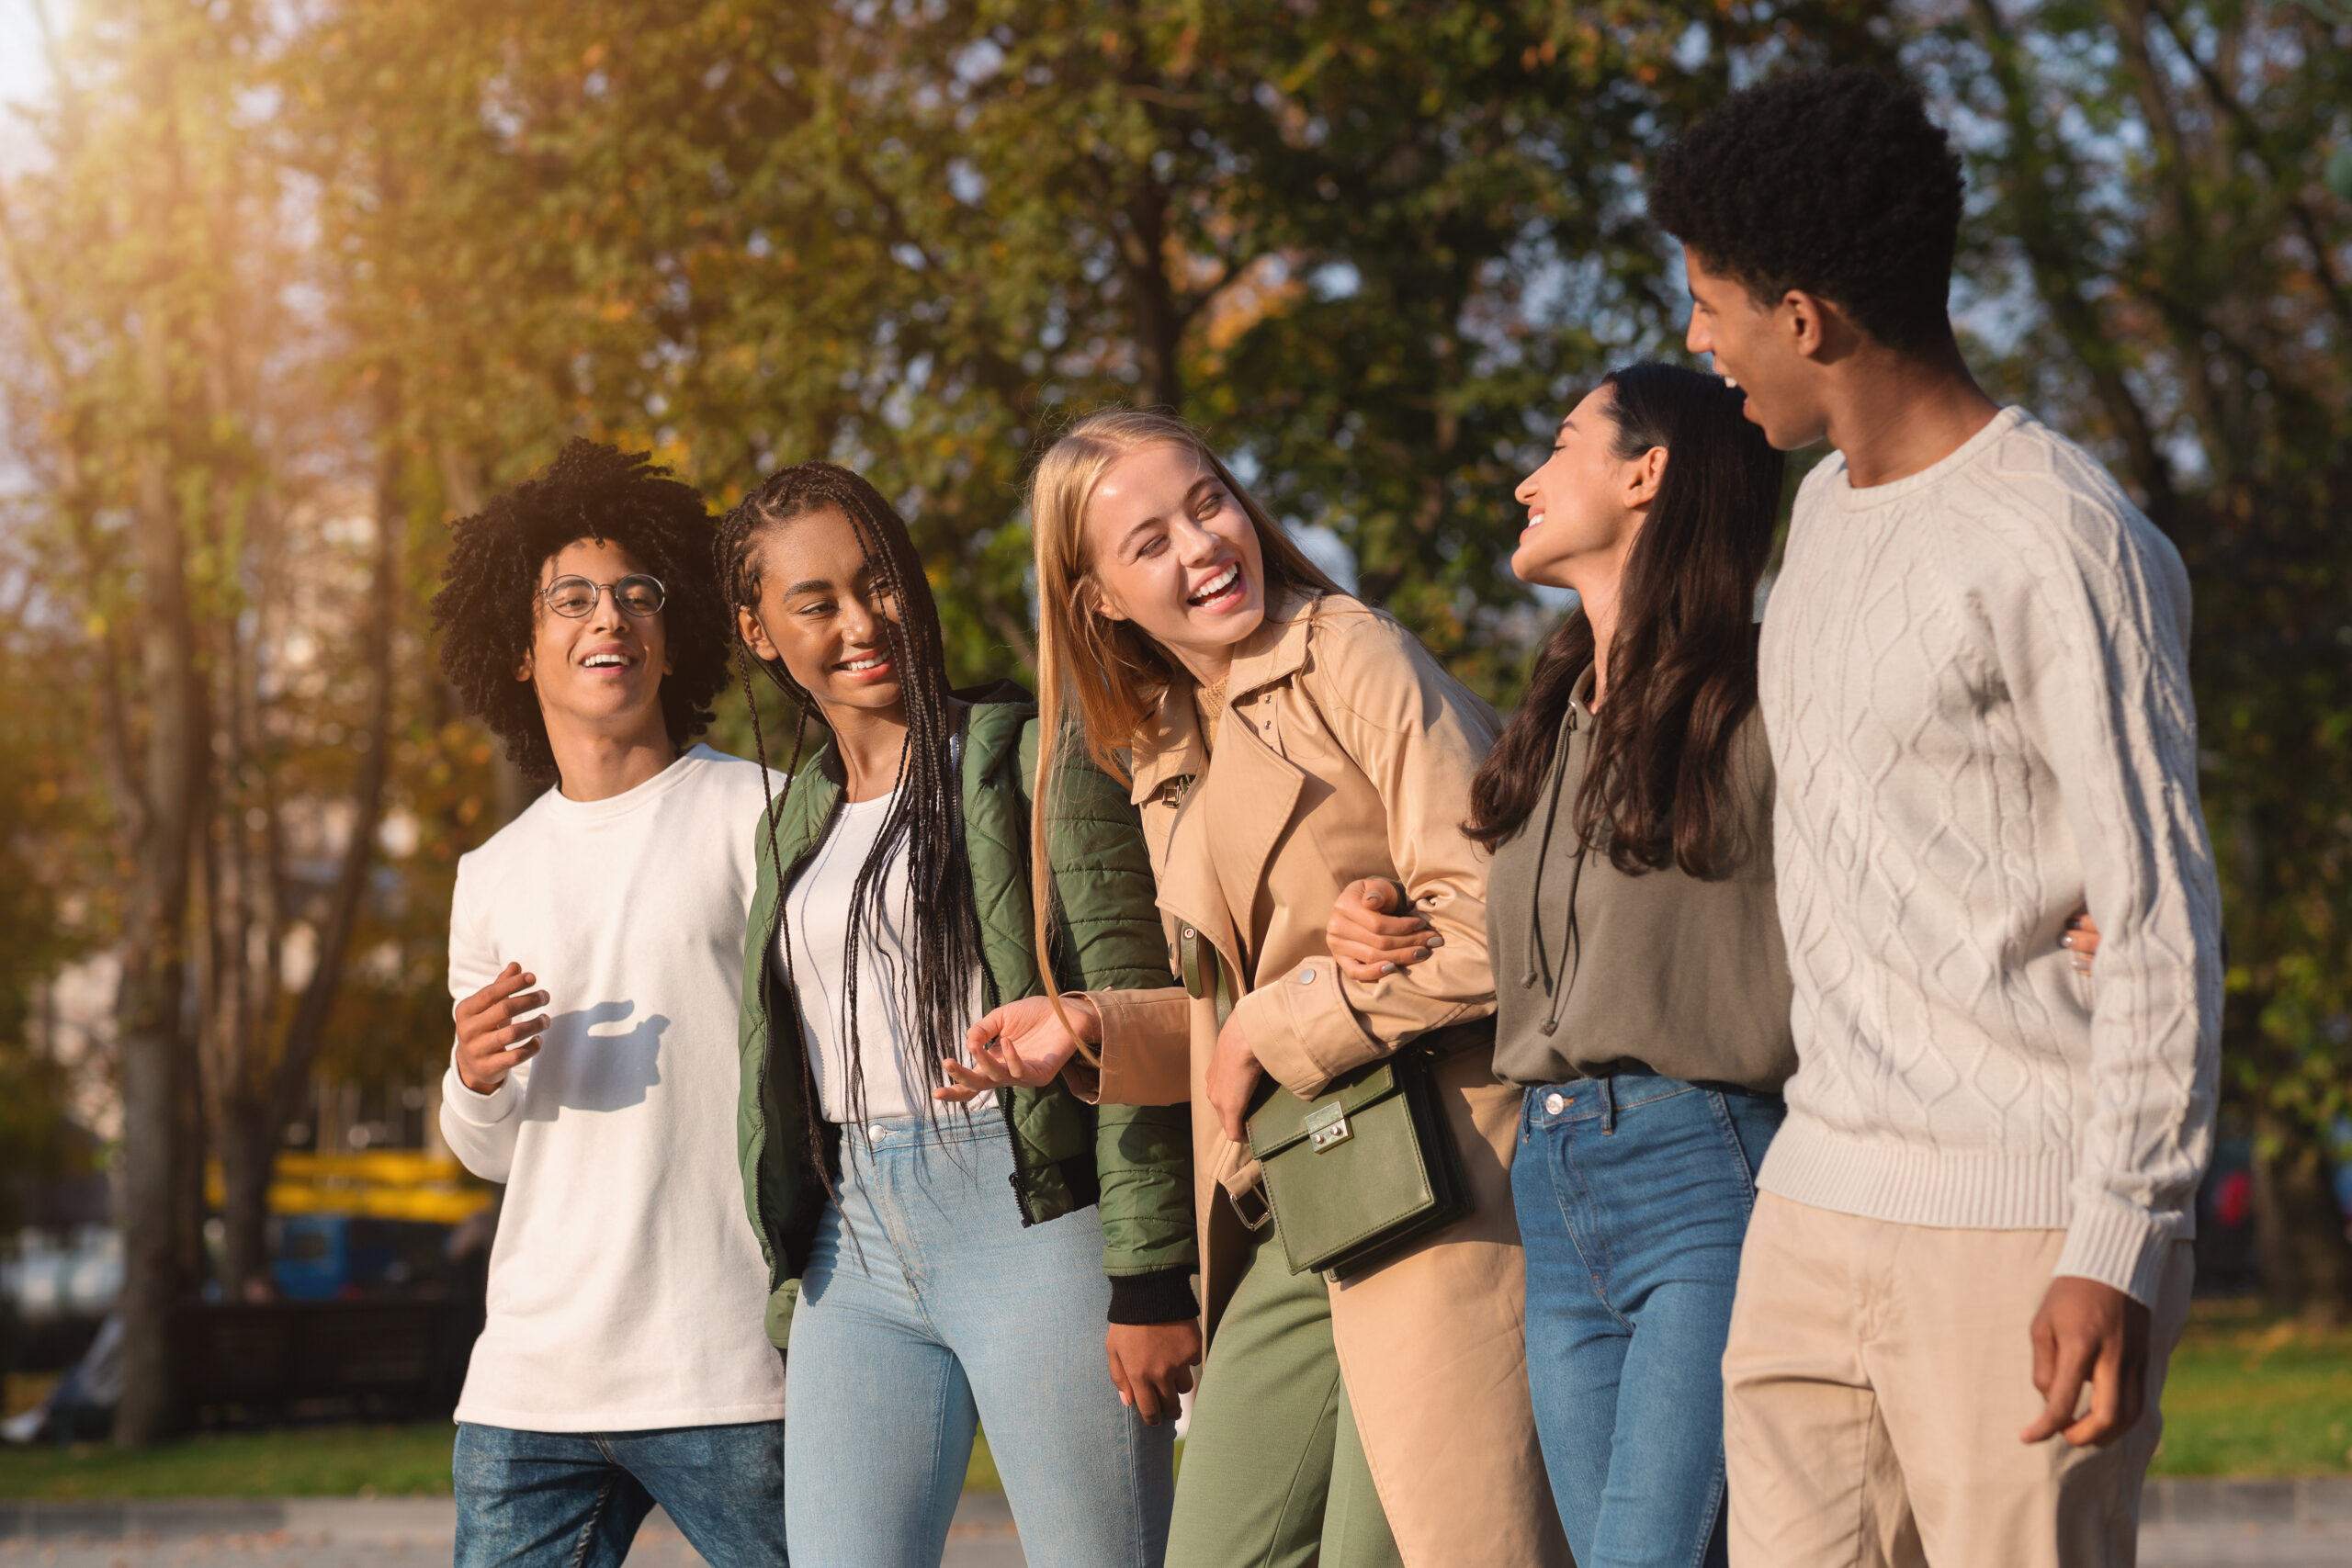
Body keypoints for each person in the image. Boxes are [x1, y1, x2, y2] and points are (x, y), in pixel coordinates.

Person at [1648, 67, 2222, 1566]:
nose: (1697, 344)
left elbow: (2160, 916)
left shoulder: (2064, 539)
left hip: (2018, 1228)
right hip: (1812, 1203)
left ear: (1807, 317)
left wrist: (2117, 1246)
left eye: (1710, 305)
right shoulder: (1824, 512)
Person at [944, 409, 1567, 1568]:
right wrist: (1086, 1025)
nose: (1200, 547)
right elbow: (1233, 1017)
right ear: (1098, 601)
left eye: (1207, 502)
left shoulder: (1347, 651)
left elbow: (1503, 916)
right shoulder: (1170, 740)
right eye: (1147, 544)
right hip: (1294, 1194)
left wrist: (1286, 1017)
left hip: (1438, 1182)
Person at [1333, 362, 1790, 1568]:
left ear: (1648, 473)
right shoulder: (1555, 714)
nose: (1529, 479)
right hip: (1556, 1176)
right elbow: (1522, 945)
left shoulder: (1769, 690)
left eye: (1563, 442)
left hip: (1712, 1171)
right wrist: (1373, 916)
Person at [718, 461, 1196, 1568]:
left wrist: (1152, 1274)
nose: (861, 620)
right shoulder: (789, 824)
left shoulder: (1034, 759)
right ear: (757, 633)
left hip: (1030, 1221)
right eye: (815, 602)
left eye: (875, 580)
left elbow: (1128, 1015)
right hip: (856, 1243)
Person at [430, 440, 790, 1568]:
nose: (610, 618)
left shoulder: (766, 814)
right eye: (573, 598)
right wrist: (472, 1074)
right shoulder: (488, 874)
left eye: (639, 594)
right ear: (522, 646)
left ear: (672, 636)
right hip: (529, 1387)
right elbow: (486, 1155)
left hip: (732, 1366)